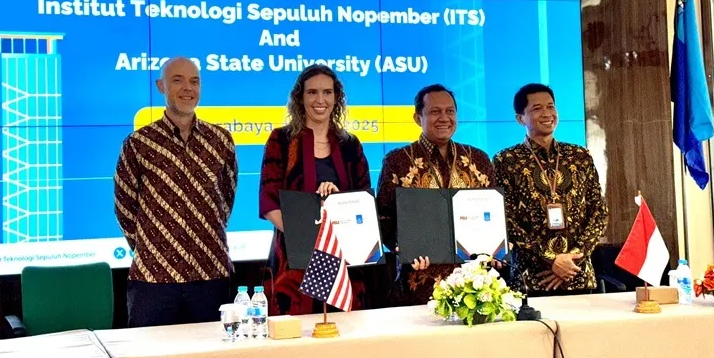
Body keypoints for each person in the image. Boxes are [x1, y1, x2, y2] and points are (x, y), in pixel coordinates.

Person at [114, 57, 238, 327]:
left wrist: (203, 235)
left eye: (194, 81)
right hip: (154, 279)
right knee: (147, 354)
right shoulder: (138, 143)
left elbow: (226, 199)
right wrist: (155, 246)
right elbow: (124, 208)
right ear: (161, 86)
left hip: (210, 274)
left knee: (212, 353)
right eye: (177, 80)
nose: (187, 88)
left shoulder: (221, 141)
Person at [259, 64, 372, 316]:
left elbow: (364, 201)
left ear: (336, 98)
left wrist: (338, 199)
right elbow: (269, 202)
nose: (320, 100)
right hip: (294, 261)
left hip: (345, 260)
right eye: (312, 92)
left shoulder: (350, 144)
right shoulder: (281, 140)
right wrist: (310, 239)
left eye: (327, 92)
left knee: (347, 333)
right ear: (300, 97)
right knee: (296, 334)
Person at [376, 84, 497, 306]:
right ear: (417, 118)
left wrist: (496, 248)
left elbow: (494, 213)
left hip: (474, 287)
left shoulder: (478, 159)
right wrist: (403, 247)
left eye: (450, 111)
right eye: (435, 111)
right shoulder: (397, 160)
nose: (444, 118)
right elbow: (383, 217)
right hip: (418, 285)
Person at [492, 83, 608, 296]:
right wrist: (550, 260)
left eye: (551, 106)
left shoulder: (579, 156)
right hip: (531, 279)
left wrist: (571, 259)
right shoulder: (506, 160)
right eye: (537, 108)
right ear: (520, 118)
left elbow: (599, 214)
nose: (547, 114)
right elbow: (506, 220)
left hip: (577, 275)